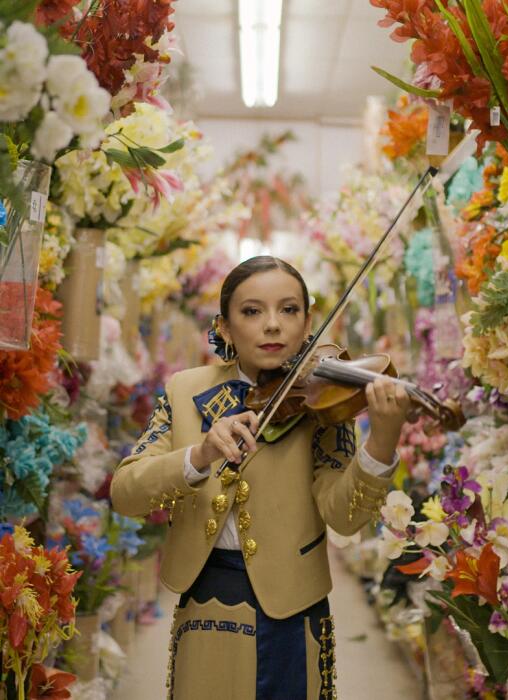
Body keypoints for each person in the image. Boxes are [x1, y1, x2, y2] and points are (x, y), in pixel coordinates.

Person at [111, 256, 410, 700]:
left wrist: (382, 442)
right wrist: (199, 454)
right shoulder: (184, 389)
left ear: (308, 321)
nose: (273, 325)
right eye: (252, 311)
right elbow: (125, 494)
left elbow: (344, 517)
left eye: (289, 310)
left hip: (291, 599)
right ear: (225, 327)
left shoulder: (324, 398)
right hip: (206, 592)